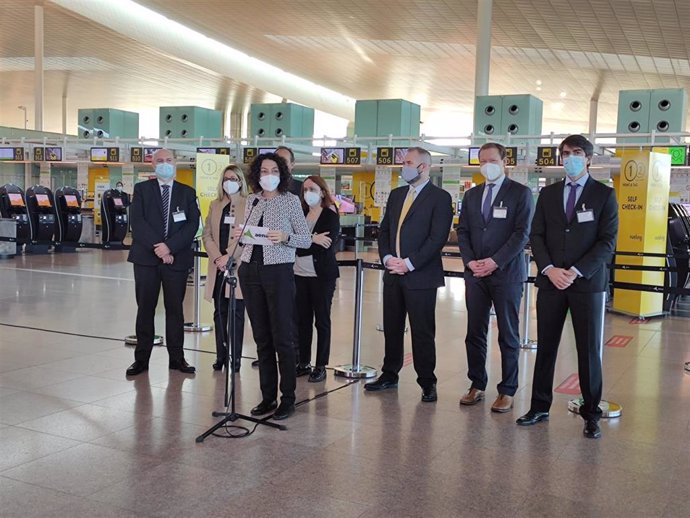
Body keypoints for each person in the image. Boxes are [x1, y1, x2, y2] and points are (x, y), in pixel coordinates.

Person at [516, 134, 618, 439]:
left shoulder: (603, 195)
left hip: (586, 284)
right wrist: (549, 269)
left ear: (588, 158)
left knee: (588, 351)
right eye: (564, 153)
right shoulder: (549, 194)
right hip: (551, 282)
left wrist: (574, 271)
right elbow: (537, 235)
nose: (569, 158)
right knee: (546, 346)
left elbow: (607, 242)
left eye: (575, 153)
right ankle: (539, 406)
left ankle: (591, 414)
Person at [364, 147, 454, 402]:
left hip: (421, 276)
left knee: (422, 331)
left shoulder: (440, 198)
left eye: (408, 162)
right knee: (392, 327)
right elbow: (384, 232)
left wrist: (410, 263)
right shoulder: (396, 195)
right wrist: (387, 258)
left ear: (423, 167)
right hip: (393, 273)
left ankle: (427, 381)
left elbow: (437, 238)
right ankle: (389, 374)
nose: (404, 166)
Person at [456, 143, 534, 413]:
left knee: (508, 334)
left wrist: (494, 261)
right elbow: (463, 231)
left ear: (504, 163)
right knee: (474, 331)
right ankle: (476, 383)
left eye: (492, 160)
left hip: (507, 274)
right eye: (482, 161)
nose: (487, 165)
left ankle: (507, 390)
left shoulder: (521, 194)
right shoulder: (472, 195)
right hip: (475, 274)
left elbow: (522, 234)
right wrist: (470, 262)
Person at [236, 153, 311, 420]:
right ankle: (267, 396)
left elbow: (305, 240)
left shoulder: (290, 201)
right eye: (264, 170)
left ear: (282, 174)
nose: (268, 175)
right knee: (261, 337)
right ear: (256, 174)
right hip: (249, 269)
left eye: (274, 170)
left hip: (278, 270)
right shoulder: (252, 201)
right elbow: (247, 237)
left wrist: (286, 236)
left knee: (283, 337)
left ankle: (287, 398)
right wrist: (240, 235)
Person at [126, 149, 200, 376]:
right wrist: (159, 248)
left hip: (175, 259)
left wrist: (170, 247)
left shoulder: (187, 193)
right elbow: (137, 223)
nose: (165, 164)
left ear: (175, 164)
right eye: (160, 161)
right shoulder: (141, 190)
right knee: (145, 309)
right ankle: (141, 360)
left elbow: (192, 225)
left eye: (169, 160)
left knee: (175, 310)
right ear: (152, 165)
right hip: (146, 259)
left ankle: (177, 359)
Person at [202, 164, 248, 373]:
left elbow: (247, 236)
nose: (230, 182)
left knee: (236, 314)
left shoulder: (249, 205)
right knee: (219, 313)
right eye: (226, 178)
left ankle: (235, 357)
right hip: (218, 267)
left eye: (234, 178)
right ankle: (221, 355)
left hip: (237, 267)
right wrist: (217, 258)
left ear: (241, 181)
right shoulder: (215, 205)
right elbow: (207, 234)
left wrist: (228, 256)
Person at [294, 176, 340, 383]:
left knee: (322, 321)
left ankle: (321, 365)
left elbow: (325, 245)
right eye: (304, 190)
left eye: (312, 189)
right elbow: (290, 241)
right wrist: (311, 239)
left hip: (321, 276)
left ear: (322, 191)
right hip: (298, 275)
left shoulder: (330, 214)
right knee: (302, 321)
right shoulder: (301, 213)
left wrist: (301, 242)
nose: (307, 193)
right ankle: (303, 362)